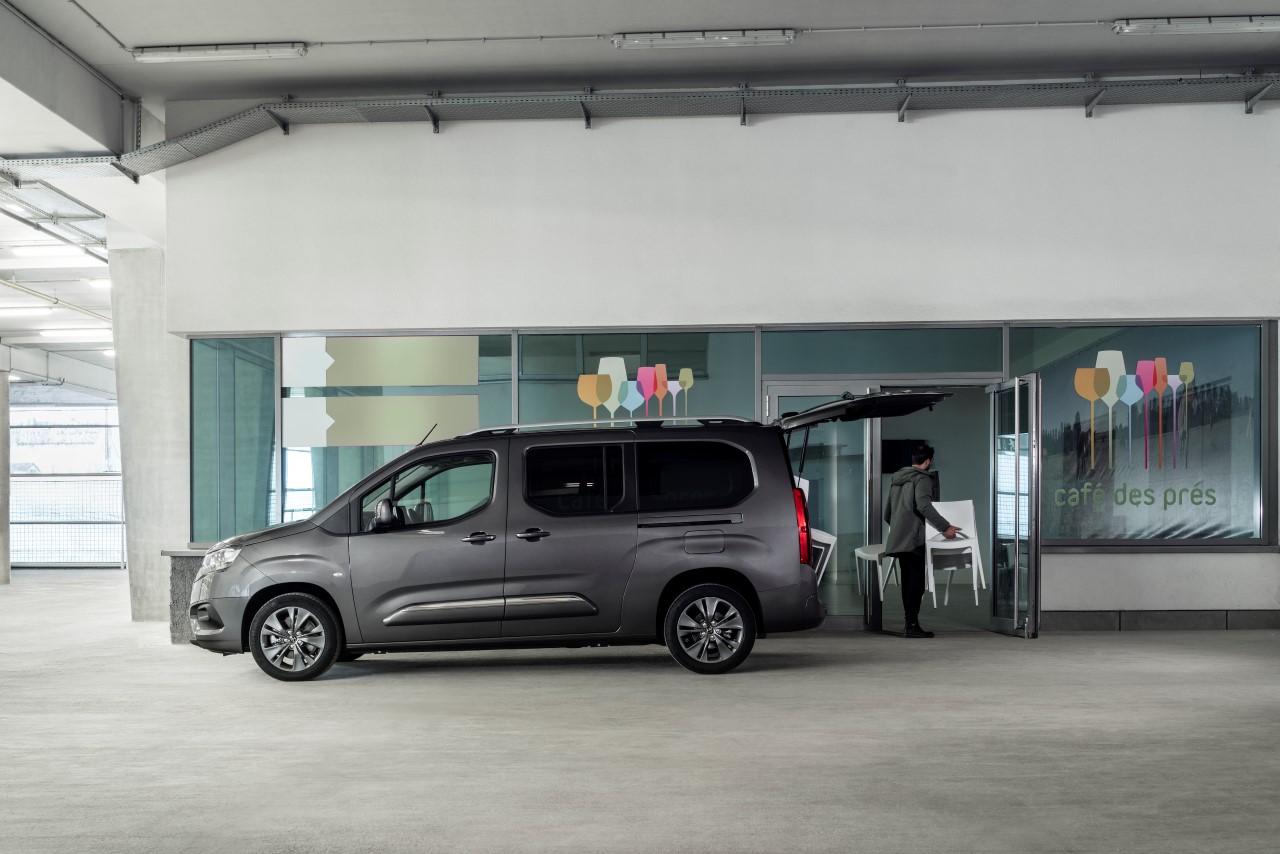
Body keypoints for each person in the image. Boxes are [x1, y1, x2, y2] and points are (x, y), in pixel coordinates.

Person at [884, 444, 960, 638]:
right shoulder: (923, 479)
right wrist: (945, 527)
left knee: (907, 581)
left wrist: (900, 526)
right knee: (916, 582)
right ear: (928, 461)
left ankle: (909, 623)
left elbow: (887, 513)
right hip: (915, 538)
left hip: (899, 537)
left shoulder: (898, 478)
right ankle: (911, 625)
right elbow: (924, 506)